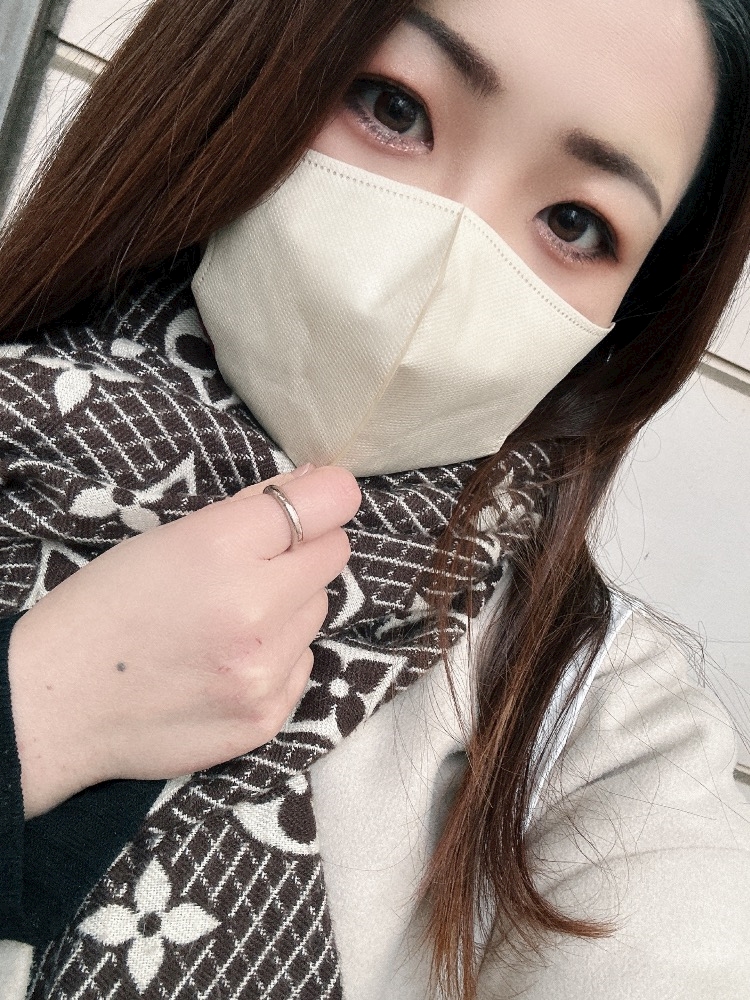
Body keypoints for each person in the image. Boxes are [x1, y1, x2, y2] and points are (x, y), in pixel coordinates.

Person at [0, 0, 749, 997]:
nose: (439, 257)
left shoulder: (599, 736)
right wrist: (40, 710)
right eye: (394, 106)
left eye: (576, 223)